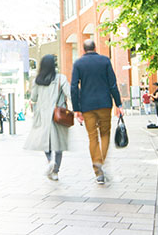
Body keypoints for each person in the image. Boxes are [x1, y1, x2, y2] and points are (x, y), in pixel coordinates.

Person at [71, 39, 123, 184]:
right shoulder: (105, 61)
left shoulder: (78, 63)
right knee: (105, 133)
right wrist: (118, 103)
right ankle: (102, 162)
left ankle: (97, 170)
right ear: (95, 47)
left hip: (87, 106)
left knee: (92, 137)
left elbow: (74, 87)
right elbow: (112, 84)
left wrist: (76, 109)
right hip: (105, 104)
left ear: (83, 49)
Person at [24, 55, 71, 181]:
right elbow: (69, 93)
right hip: (58, 115)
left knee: (46, 142)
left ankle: (50, 160)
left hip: (42, 115)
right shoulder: (61, 79)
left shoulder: (37, 80)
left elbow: (33, 98)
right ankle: (55, 171)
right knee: (59, 144)